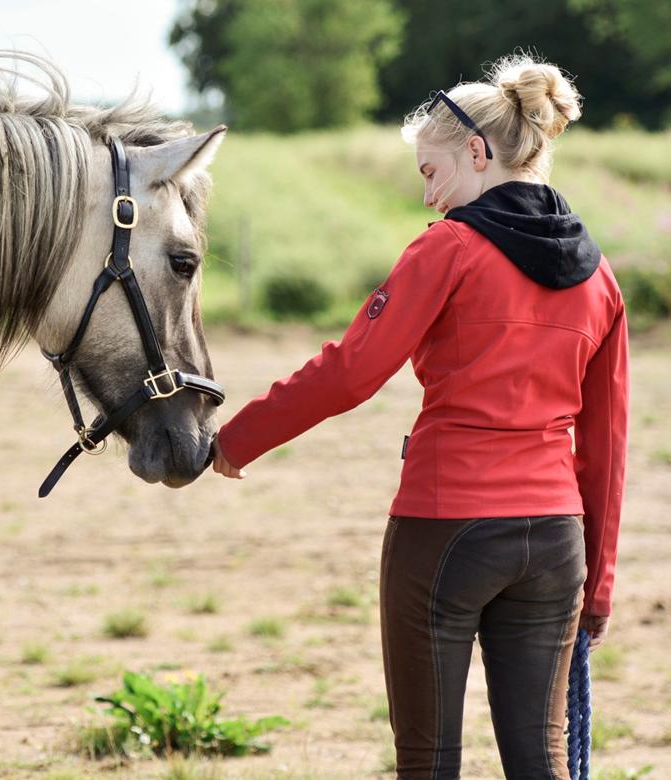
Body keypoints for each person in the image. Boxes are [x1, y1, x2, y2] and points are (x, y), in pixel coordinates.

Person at [210, 54, 627, 778]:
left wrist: (234, 441)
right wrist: (600, 581)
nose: (430, 199)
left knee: (428, 761)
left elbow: (350, 371)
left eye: (432, 174)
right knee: (544, 760)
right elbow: (608, 441)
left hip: (446, 531)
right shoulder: (600, 275)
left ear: (476, 151)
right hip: (556, 544)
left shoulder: (450, 249)